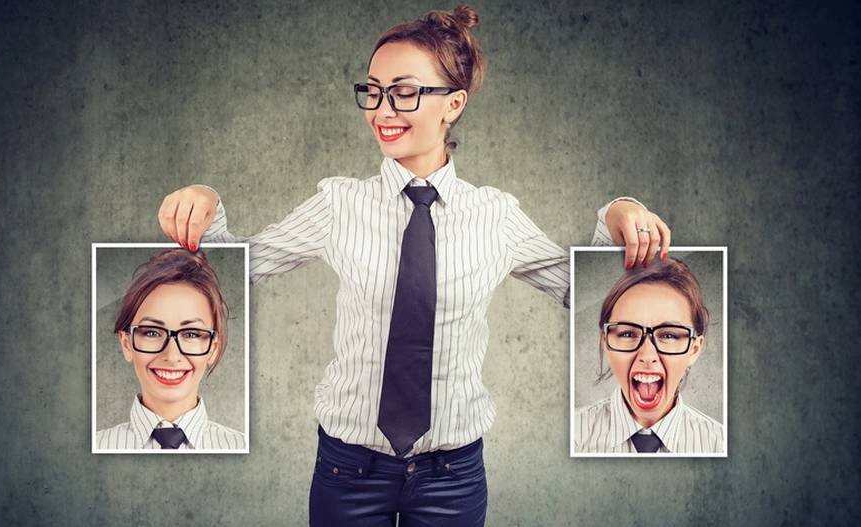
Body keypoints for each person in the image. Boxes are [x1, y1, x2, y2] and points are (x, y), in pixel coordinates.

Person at [158, 4, 671, 524]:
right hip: (348, 469)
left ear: (454, 103)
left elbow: (590, 291)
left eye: (404, 92)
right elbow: (232, 271)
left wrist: (618, 212)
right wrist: (205, 203)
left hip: (452, 477)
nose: (382, 110)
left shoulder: (495, 215)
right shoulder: (339, 204)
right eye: (373, 91)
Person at [96, 249, 246, 451]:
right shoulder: (94, 447)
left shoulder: (241, 446)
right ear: (126, 344)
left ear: (213, 347)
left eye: (191, 334)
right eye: (152, 332)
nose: (172, 356)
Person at [573, 257, 724, 454]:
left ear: (694, 350)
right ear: (606, 343)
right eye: (628, 334)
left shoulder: (719, 445)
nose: (647, 355)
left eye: (668, 335)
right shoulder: (573, 436)